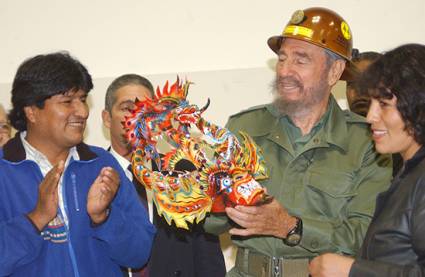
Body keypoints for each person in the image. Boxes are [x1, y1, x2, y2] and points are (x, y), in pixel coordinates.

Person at [204, 7, 392, 277]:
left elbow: (367, 237)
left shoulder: (367, 142)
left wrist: (290, 226)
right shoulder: (244, 128)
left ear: (334, 71)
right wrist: (194, 197)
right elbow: (211, 224)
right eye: (282, 59)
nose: (285, 71)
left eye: (300, 60)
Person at [0, 52, 156, 277]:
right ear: (32, 111)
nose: (82, 112)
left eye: (82, 99)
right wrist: (36, 219)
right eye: (67, 102)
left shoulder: (101, 164)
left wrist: (105, 217)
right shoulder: (5, 170)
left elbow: (139, 253)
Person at [309, 43, 425, 277]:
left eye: (383, 104)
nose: (371, 116)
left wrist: (351, 270)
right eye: (371, 103)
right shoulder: (408, 174)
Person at [102, 74, 226, 277]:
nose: (136, 117)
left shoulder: (185, 173)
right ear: (107, 118)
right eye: (126, 108)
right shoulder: (91, 174)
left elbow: (208, 258)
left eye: (145, 109)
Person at [346, 50, 403, 176]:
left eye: (368, 84)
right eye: (351, 84)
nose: (358, 92)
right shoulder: (332, 139)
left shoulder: (401, 144)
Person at [346, 50, 382, 117]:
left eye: (368, 82)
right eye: (351, 83)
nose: (359, 91)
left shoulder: (404, 125)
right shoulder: (331, 126)